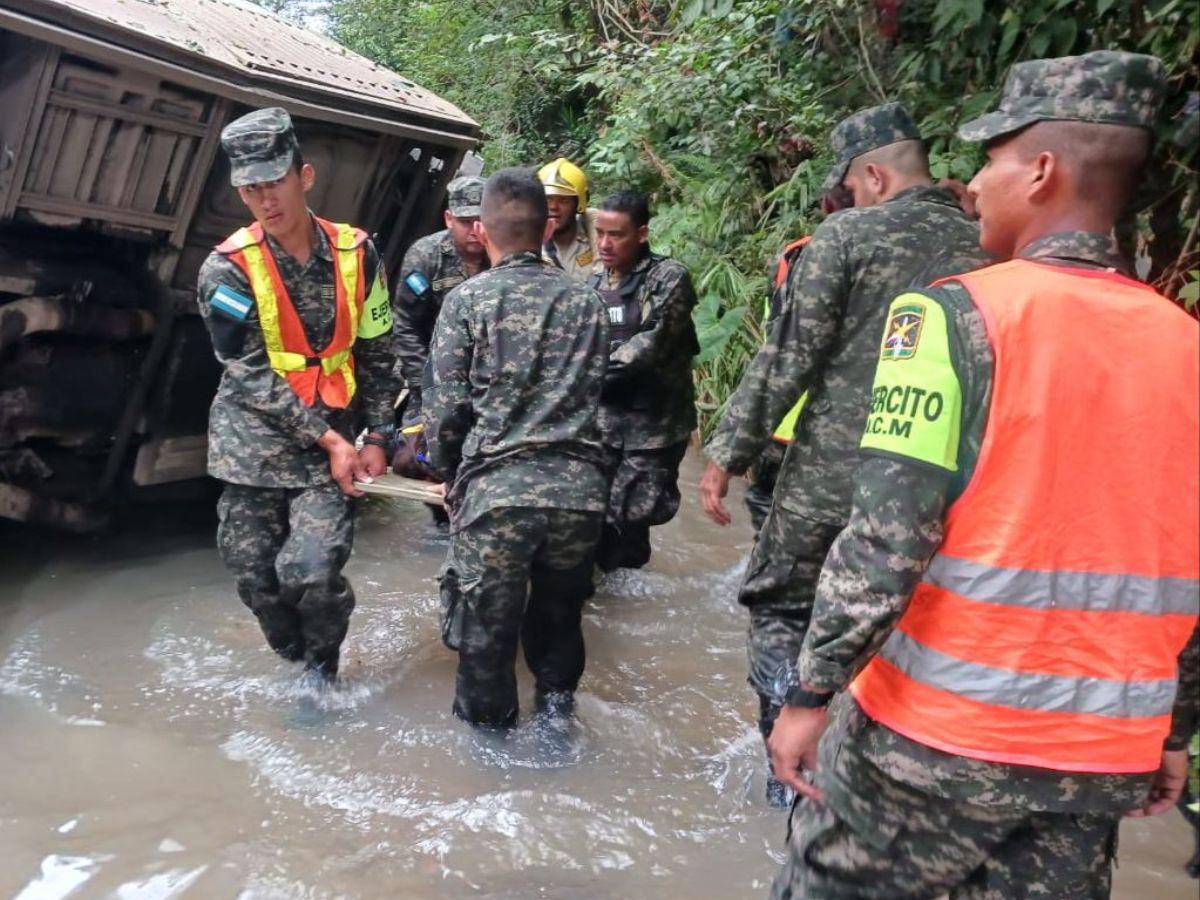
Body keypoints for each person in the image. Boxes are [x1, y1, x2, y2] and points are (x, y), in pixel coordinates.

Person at [767, 50, 1200, 899]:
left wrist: (809, 692)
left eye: (992, 157)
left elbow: (887, 541)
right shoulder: (1187, 347)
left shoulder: (953, 318)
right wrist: (1174, 729)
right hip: (1097, 759)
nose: (973, 181)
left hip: (931, 746)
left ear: (1040, 171)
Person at [698, 102, 988, 807]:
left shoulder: (848, 236)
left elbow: (787, 357)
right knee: (908, 627)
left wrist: (726, 454)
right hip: (949, 490)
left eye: (853, 187)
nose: (849, 198)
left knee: (781, 608)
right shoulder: (991, 242)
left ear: (875, 176)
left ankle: (788, 776)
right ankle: (878, 780)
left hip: (833, 479)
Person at [196, 107, 397, 682]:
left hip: (326, 453)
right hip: (253, 444)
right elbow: (248, 371)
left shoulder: (359, 254)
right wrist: (331, 438)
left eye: (275, 182)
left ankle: (321, 672)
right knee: (255, 579)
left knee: (312, 572)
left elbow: (378, 350)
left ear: (304, 177)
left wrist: (379, 435)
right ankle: (295, 652)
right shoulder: (227, 269)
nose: (265, 198)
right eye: (251, 188)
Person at [423, 168, 610, 727]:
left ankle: (490, 757)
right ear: (544, 225)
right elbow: (597, 396)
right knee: (560, 619)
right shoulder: (588, 302)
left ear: (483, 229)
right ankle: (558, 728)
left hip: (498, 497)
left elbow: (447, 410)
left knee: (486, 635)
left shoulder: (467, 301)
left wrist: (453, 477)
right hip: (579, 497)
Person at [588, 191, 699, 572]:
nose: (604, 243)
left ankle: (633, 594)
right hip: (602, 422)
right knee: (595, 516)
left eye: (615, 234)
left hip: (654, 425)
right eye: (598, 232)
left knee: (634, 516)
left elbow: (649, 347)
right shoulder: (593, 279)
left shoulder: (668, 278)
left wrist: (579, 376)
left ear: (642, 233)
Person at [743, 186, 854, 532]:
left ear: (825, 206)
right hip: (838, 428)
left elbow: (776, 334)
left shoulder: (795, 256)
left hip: (782, 414)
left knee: (766, 507)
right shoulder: (886, 256)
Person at [393, 175, 489, 417]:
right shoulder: (426, 256)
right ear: (449, 218)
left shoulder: (502, 255)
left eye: (481, 220)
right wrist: (425, 384)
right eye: (465, 221)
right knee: (413, 448)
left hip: (487, 386)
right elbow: (406, 325)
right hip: (432, 376)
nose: (475, 230)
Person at [537, 157, 598, 281]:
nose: (553, 207)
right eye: (548, 199)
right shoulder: (529, 244)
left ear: (578, 204)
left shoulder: (592, 229)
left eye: (564, 200)